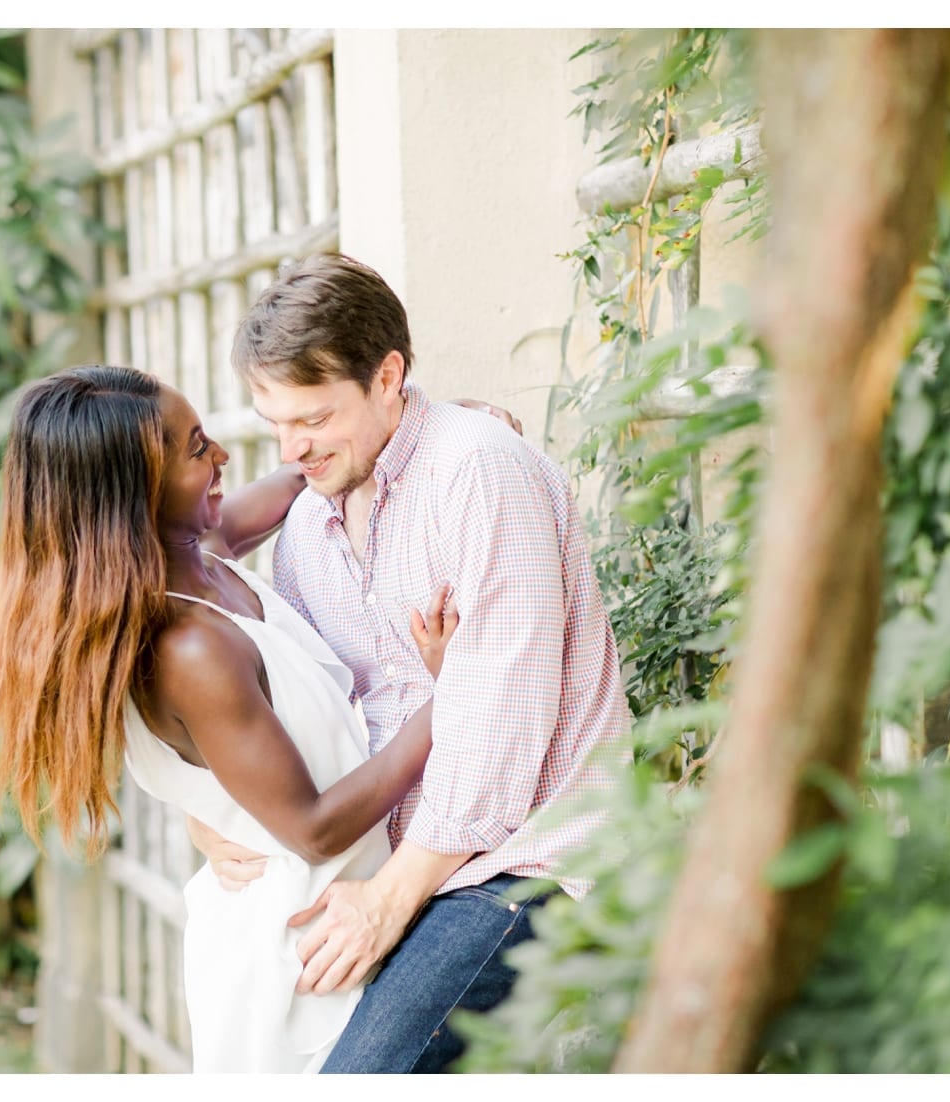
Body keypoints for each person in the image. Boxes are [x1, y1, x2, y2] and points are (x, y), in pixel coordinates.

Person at [0, 365, 511, 1072]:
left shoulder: (202, 552)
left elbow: (296, 480)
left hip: (344, 919)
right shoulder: (189, 648)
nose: (223, 456)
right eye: (197, 449)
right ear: (137, 491)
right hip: (302, 957)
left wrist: (407, 431)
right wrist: (455, 690)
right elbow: (315, 827)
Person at [191, 253, 632, 1073]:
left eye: (315, 418)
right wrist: (205, 810)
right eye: (276, 422)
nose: (293, 450)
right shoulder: (308, 530)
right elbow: (302, 708)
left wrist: (386, 904)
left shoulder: (479, 473)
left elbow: (500, 745)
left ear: (388, 376)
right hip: (403, 866)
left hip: (522, 862)